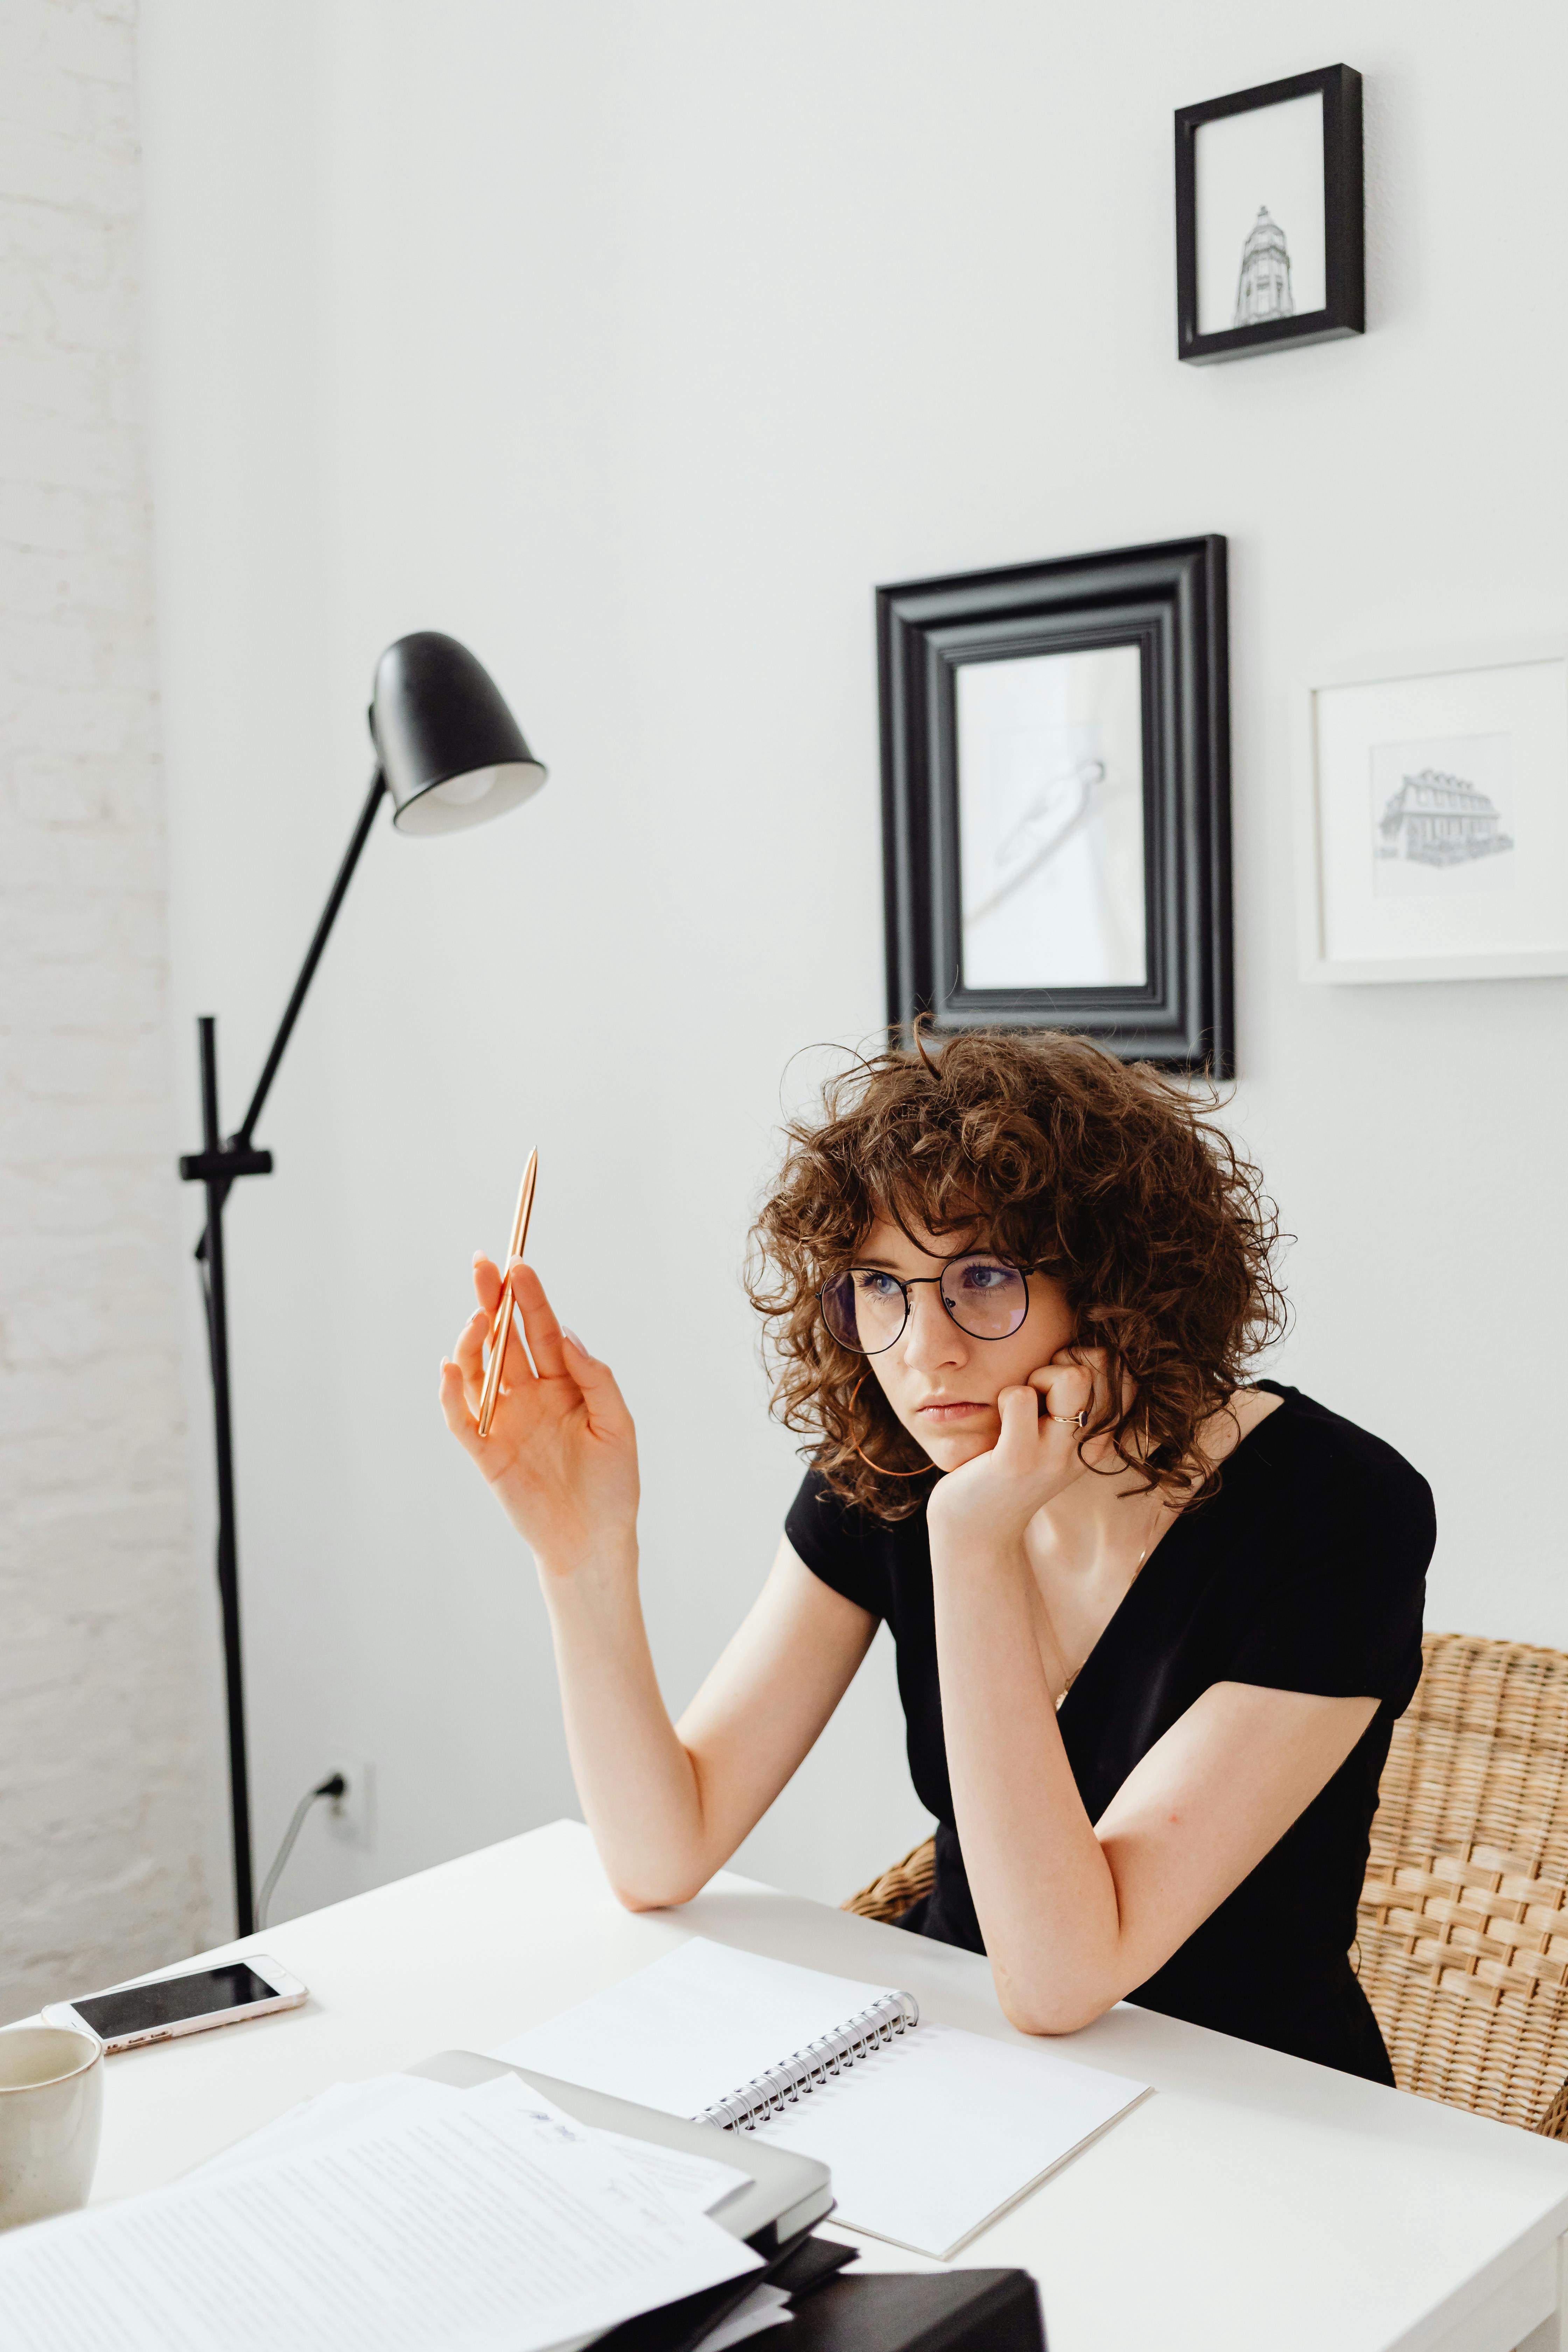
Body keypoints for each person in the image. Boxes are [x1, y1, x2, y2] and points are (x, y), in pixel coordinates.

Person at [439, 1029, 1433, 2084]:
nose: (924, 1352)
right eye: (880, 1285)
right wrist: (586, 1554)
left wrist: (972, 1543)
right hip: (955, 2064)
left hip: (1259, 2108)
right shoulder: (891, 1462)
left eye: (985, 1276)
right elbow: (660, 1854)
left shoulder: (1338, 1513)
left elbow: (1062, 1979)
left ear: (1116, 1289)